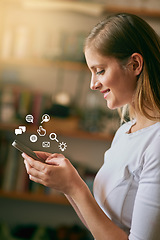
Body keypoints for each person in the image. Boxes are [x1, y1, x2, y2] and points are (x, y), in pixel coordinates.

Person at [22, 13, 160, 240]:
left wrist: (75, 187)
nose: (93, 84)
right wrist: (68, 185)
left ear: (135, 64)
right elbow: (99, 226)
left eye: (100, 70)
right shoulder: (125, 132)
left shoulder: (156, 143)